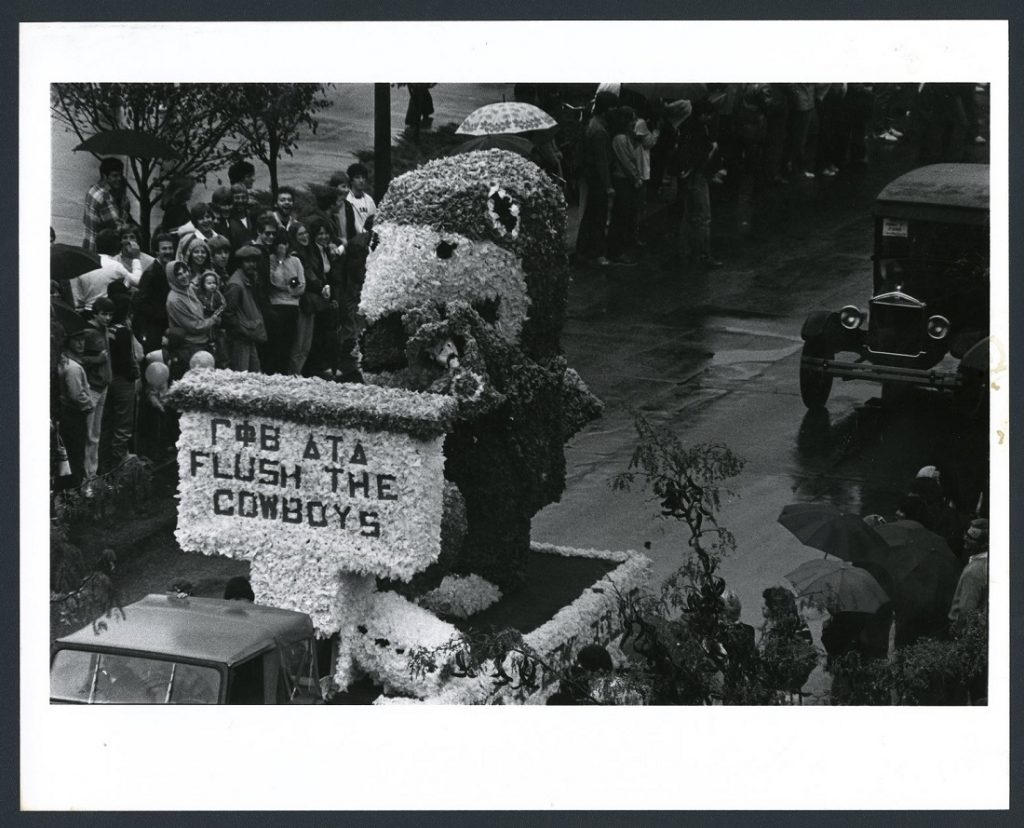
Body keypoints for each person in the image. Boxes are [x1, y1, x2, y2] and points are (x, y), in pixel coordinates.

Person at [573, 90, 618, 267]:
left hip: (591, 177)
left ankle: (583, 252)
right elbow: (602, 162)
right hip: (597, 179)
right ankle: (595, 253)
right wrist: (608, 186)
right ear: (607, 109)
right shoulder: (599, 131)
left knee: (591, 216)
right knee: (597, 217)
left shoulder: (594, 125)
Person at [98, 294, 142, 473]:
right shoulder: (122, 330)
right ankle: (118, 469)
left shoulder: (107, 329)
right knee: (123, 425)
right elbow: (127, 360)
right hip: (123, 380)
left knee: (107, 424)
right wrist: (134, 374)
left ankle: (103, 467)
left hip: (108, 380)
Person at [678, 97, 722, 268]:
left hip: (688, 177)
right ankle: (703, 254)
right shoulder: (699, 132)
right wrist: (712, 149)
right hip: (697, 177)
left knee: (689, 216)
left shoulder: (687, 128)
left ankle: (686, 252)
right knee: (703, 217)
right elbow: (700, 159)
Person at [80, 296, 114, 480]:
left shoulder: (104, 330)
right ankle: (87, 477)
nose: (108, 318)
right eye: (104, 314)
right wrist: (98, 360)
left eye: (110, 314)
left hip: (103, 386)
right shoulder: (88, 332)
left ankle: (93, 473)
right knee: (89, 434)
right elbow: (79, 359)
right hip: (92, 387)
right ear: (96, 313)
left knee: (96, 433)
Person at [57, 328, 94, 489]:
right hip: (74, 414)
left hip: (66, 413)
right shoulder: (72, 368)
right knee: (76, 452)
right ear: (68, 341)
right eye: (76, 340)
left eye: (83, 340)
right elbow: (77, 395)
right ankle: (75, 490)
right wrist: (89, 405)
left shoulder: (63, 362)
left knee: (70, 453)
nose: (81, 343)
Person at [165, 259, 222, 361]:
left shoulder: (188, 289)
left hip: (203, 341)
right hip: (191, 346)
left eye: (185, 271)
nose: (184, 276)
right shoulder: (175, 300)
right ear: (173, 278)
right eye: (179, 274)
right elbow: (194, 326)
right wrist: (213, 320)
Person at [221, 246, 268, 373]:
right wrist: (241, 330)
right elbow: (228, 313)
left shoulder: (251, 279)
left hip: (249, 334)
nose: (251, 265)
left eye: (254, 261)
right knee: (242, 374)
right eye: (247, 261)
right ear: (241, 263)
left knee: (255, 372)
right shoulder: (236, 284)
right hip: (241, 337)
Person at [265, 229, 305, 374]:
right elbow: (273, 281)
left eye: (286, 244)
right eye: (280, 244)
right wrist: (280, 260)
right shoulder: (270, 260)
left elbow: (300, 286)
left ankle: (284, 373)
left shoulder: (296, 261)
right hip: (275, 306)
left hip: (292, 306)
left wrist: (288, 289)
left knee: (289, 343)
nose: (283, 247)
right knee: (275, 344)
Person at [607, 105, 642, 265]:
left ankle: (620, 248)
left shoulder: (626, 137)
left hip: (626, 179)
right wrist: (636, 178)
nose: (634, 122)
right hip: (622, 180)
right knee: (620, 216)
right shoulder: (620, 139)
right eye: (632, 119)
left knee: (625, 215)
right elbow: (626, 162)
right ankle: (616, 251)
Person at [132, 233, 178, 353]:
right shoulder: (150, 274)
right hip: (154, 326)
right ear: (157, 251)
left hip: (169, 322)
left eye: (170, 248)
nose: (168, 251)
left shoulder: (173, 269)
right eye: (164, 249)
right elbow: (140, 303)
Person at [82, 157, 134, 251]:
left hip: (88, 244)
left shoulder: (92, 189)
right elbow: (118, 228)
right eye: (114, 176)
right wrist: (125, 209)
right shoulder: (105, 197)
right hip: (99, 250)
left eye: (120, 175)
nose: (119, 179)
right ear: (104, 176)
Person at [948, 518, 988, 625]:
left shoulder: (974, 571)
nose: (965, 538)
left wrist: (956, 630)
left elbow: (965, 611)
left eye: (971, 537)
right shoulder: (988, 563)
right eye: (966, 534)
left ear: (984, 544)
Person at [195, 270, 228, 367]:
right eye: (209, 283)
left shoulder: (217, 294)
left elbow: (223, 305)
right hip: (204, 319)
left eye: (214, 283)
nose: (212, 285)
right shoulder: (199, 294)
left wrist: (216, 315)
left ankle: (221, 361)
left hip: (215, 319)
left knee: (218, 340)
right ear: (203, 284)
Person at [344, 163, 376, 237]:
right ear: (351, 180)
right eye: (357, 177)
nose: (361, 180)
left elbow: (375, 221)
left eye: (363, 177)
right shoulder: (346, 199)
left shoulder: (369, 200)